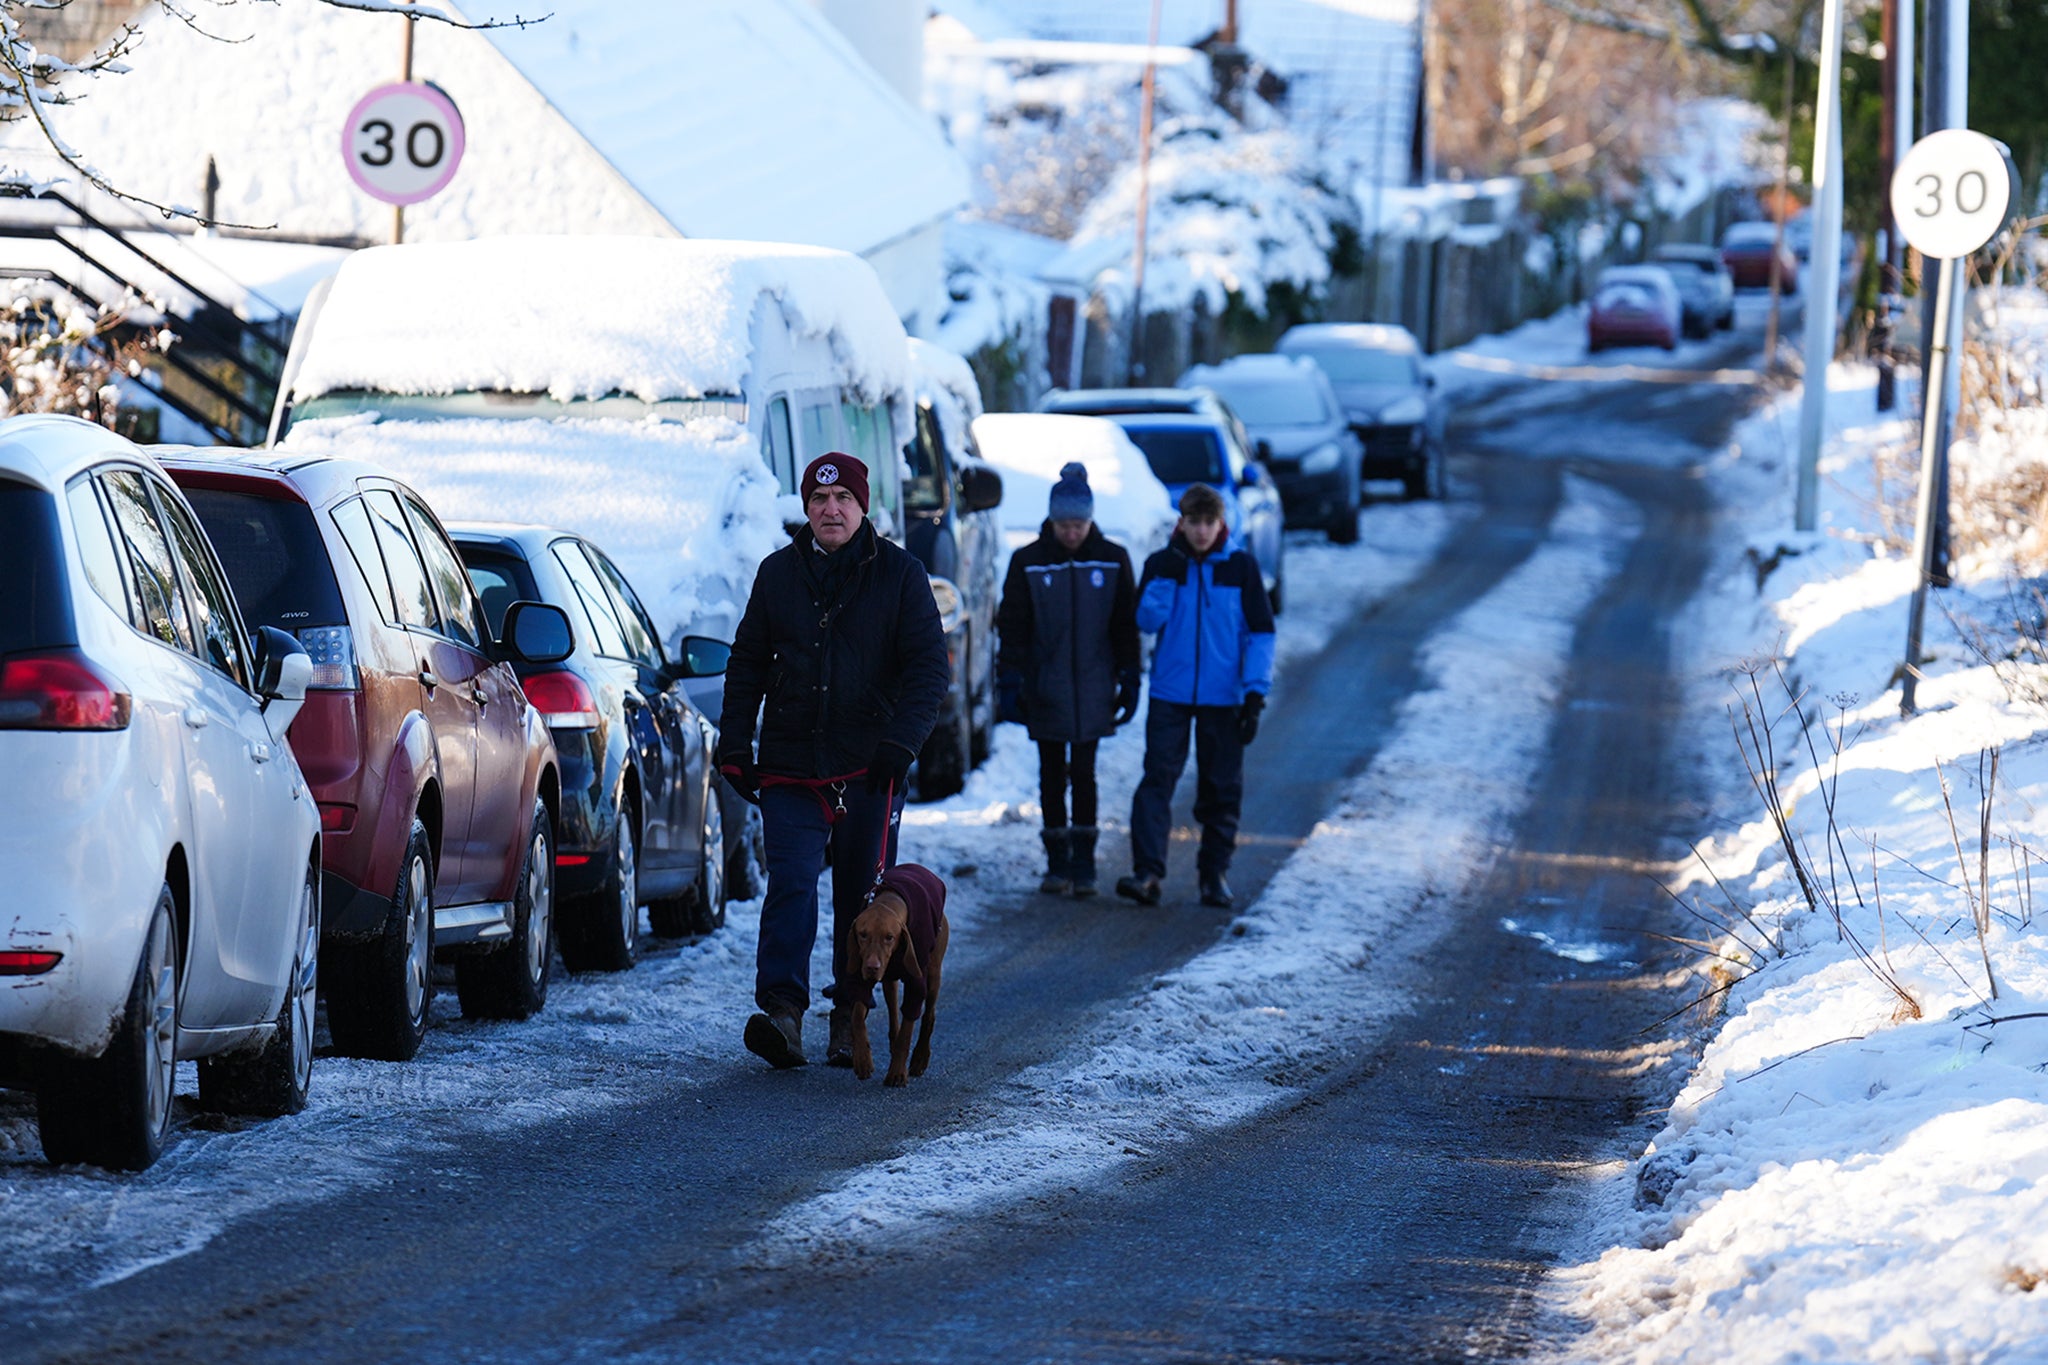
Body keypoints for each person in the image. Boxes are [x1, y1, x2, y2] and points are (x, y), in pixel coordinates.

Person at [718, 451, 951, 1069]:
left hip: (869, 768)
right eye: (819, 500)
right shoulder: (777, 575)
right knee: (790, 885)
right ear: (806, 508)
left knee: (860, 900)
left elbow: (929, 668)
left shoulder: (900, 575)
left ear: (862, 506)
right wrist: (736, 743)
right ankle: (783, 1015)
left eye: (843, 499)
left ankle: (852, 1018)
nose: (831, 509)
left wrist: (902, 743)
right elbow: (746, 665)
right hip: (791, 766)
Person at [1116, 482, 1275, 910]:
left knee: (1221, 786)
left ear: (1221, 523)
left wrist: (1255, 693)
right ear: (1181, 523)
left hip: (1224, 698)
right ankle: (1147, 873)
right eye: (1194, 523)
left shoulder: (1240, 568)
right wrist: (1169, 574)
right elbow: (1146, 621)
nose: (1202, 531)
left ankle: (1213, 874)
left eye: (1210, 523)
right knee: (1157, 781)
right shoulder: (1162, 564)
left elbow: (1260, 634)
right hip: (1171, 692)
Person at [996, 461, 1140, 897]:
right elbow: (1013, 627)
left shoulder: (1113, 560)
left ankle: (1085, 865)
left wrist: (1130, 676)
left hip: (1095, 687)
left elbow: (1124, 626)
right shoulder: (1029, 562)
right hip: (1047, 688)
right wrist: (1010, 681)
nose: (1072, 533)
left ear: (1090, 520)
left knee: (1085, 772)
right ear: (1053, 521)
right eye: (1064, 524)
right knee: (1052, 775)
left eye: (1078, 524)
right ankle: (1057, 863)